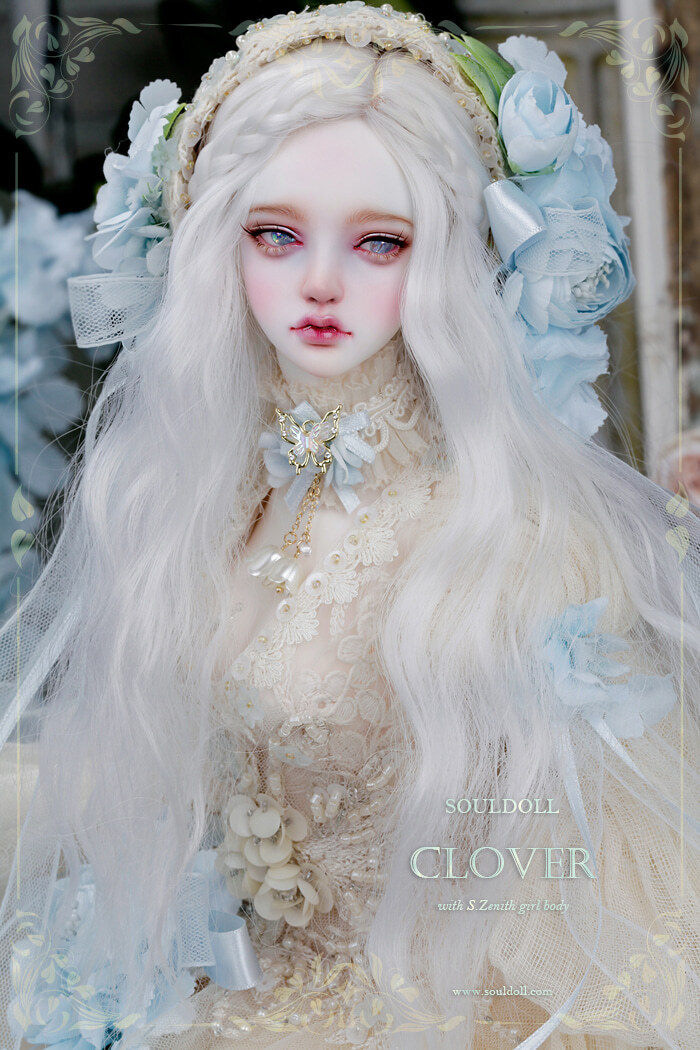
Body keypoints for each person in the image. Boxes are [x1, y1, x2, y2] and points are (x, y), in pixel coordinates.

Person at [1, 5, 698, 1049]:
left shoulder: (511, 539)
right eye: (275, 235)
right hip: (228, 993)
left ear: (451, 254)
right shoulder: (198, 502)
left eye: (379, 241)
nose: (320, 282)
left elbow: (591, 887)